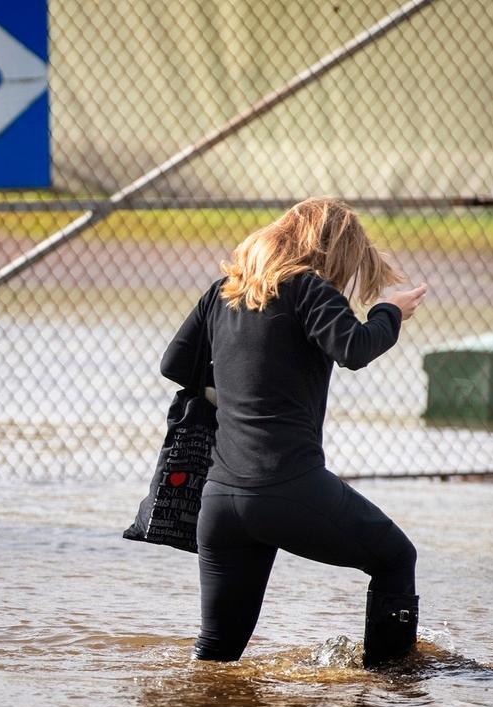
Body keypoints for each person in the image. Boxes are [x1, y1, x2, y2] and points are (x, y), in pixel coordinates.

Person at [159, 197, 429, 668]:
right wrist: (388, 311)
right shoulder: (308, 289)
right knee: (394, 559)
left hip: (220, 500)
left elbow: (174, 364)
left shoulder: (225, 292)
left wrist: (237, 387)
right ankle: (392, 687)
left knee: (217, 656)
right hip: (286, 486)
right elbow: (355, 348)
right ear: (331, 252)